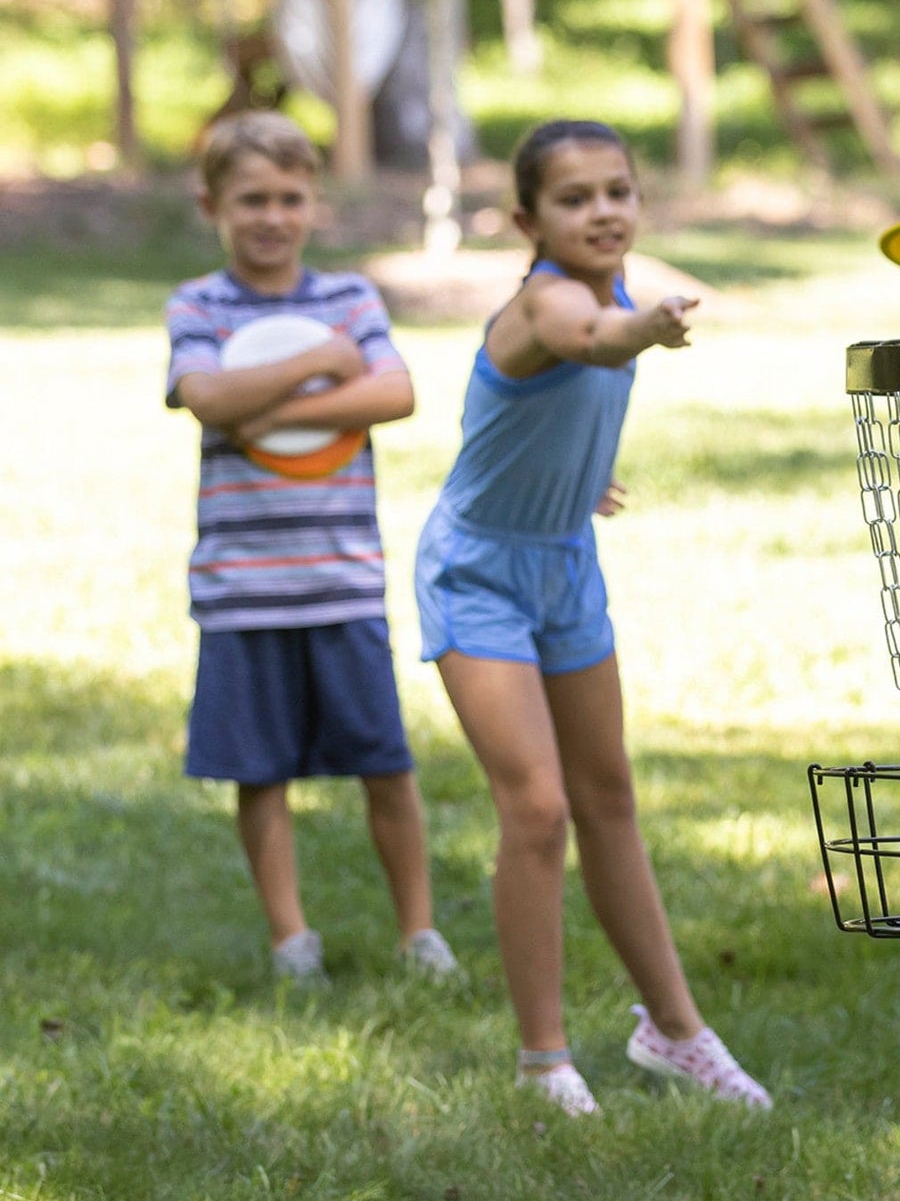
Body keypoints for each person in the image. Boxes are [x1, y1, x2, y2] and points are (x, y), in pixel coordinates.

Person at [415, 118, 769, 1117]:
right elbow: (586, 341)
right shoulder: (551, 300)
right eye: (575, 198)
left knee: (608, 795)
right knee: (536, 806)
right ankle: (542, 1062)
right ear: (528, 220)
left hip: (564, 561)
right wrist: (648, 325)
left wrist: (577, 475)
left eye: (617, 191)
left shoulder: (608, 288)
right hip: (478, 573)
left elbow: (546, 407)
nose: (602, 210)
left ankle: (674, 1031)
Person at [167, 111, 458, 983]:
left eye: (291, 198)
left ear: (315, 205)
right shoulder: (198, 304)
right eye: (251, 199)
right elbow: (206, 395)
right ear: (211, 203)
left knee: (384, 760)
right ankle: (291, 937)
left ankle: (418, 932)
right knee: (259, 769)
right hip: (241, 586)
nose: (272, 217)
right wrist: (323, 365)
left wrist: (271, 407)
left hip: (341, 579)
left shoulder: (350, 301)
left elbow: (396, 392)